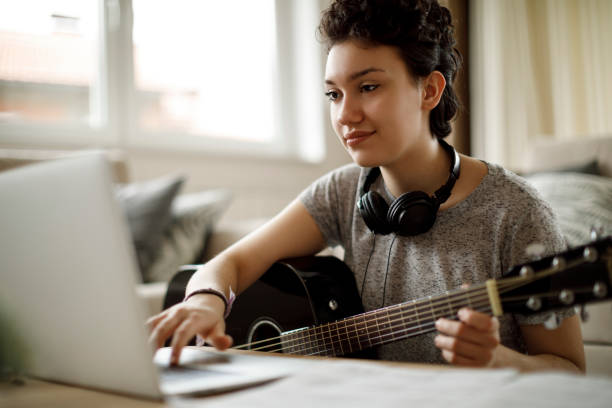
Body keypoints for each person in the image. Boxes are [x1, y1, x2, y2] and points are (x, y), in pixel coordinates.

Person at [147, 0, 585, 372]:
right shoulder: (342, 192)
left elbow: (570, 371)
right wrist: (205, 301)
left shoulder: (517, 211)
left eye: (368, 87)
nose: (345, 115)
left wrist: (501, 361)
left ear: (429, 90)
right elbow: (232, 262)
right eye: (334, 94)